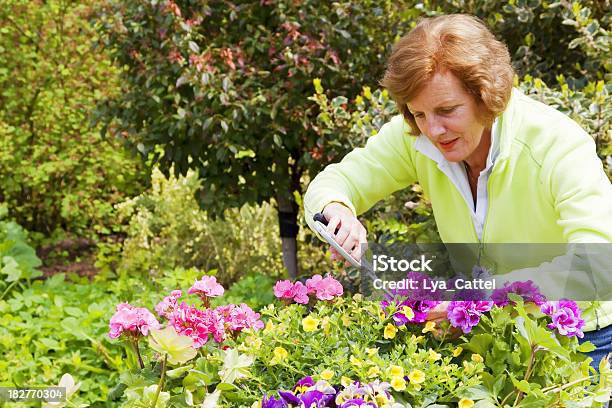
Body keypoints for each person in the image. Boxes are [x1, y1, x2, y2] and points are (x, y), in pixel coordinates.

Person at [303, 14, 612, 373]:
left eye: (447, 110)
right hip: (495, 334)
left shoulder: (556, 144)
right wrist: (336, 208)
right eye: (418, 113)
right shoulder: (416, 137)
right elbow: (336, 181)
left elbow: (599, 266)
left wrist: (477, 296)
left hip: (582, 338)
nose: (433, 129)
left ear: (487, 95)